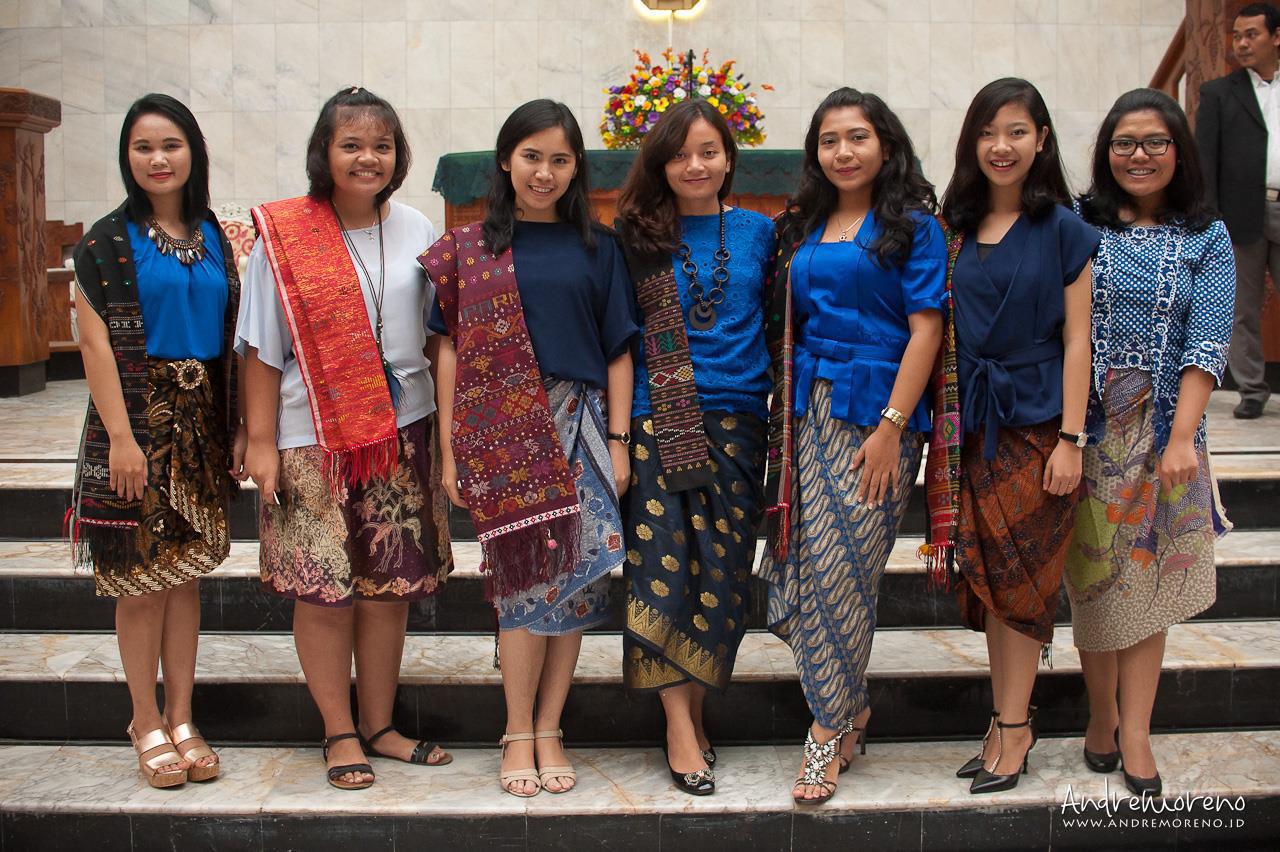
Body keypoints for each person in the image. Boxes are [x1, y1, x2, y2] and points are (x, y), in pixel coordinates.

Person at [237, 87, 454, 791]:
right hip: (313, 441)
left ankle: (380, 726)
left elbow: (439, 335)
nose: (368, 158)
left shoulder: (418, 228)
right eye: (351, 144)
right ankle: (338, 731)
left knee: (388, 589)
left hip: (403, 434)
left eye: (381, 145)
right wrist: (261, 441)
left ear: (399, 155)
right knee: (324, 590)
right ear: (323, 153)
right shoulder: (286, 238)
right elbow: (260, 349)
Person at [421, 99, 638, 798]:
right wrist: (451, 450)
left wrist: (619, 442)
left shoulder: (599, 247)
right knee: (521, 586)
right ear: (506, 161)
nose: (545, 173)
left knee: (574, 584)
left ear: (577, 168)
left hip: (580, 424)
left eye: (560, 160)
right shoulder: (469, 248)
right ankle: (517, 730)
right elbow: (448, 350)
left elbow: (619, 350)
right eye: (532, 157)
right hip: (500, 435)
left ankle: (550, 727)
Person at [759, 88, 946, 805]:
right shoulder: (803, 224)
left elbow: (926, 329)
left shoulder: (914, 227)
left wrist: (892, 427)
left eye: (857, 137)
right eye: (830, 140)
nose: (843, 151)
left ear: (886, 145)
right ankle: (849, 708)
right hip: (808, 412)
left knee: (846, 571)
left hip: (877, 416)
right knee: (808, 569)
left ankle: (825, 729)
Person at [1069, 88, 1235, 798]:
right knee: (1095, 583)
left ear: (1178, 151)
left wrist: (1182, 437)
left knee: (1151, 586)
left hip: (1168, 432)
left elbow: (1208, 340)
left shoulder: (1207, 236)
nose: (1139, 155)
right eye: (1124, 143)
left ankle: (1135, 730)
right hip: (1090, 432)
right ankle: (1100, 714)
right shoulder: (1080, 224)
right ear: (1107, 151)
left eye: (1154, 142)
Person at [71, 93, 240, 788]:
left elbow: (232, 337)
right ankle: (144, 719)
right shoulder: (105, 242)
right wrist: (121, 437)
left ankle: (182, 715)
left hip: (202, 425)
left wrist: (238, 426)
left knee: (185, 576)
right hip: (139, 423)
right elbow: (94, 345)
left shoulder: (215, 234)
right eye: (143, 147)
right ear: (127, 157)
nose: (158, 159)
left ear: (193, 151)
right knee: (140, 582)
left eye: (171, 144)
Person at [939, 77, 1098, 795]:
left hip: (1039, 430)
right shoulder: (956, 226)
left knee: (1024, 587)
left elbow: (1078, 341)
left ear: (1041, 140)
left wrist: (1072, 438)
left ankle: (1014, 725)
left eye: (1016, 132)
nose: (1001, 146)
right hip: (976, 432)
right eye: (987, 133)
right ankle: (1005, 723)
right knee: (993, 588)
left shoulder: (1064, 228)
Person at [614, 99, 774, 796]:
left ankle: (697, 709)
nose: (695, 165)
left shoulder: (761, 232)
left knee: (723, 576)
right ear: (660, 163)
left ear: (729, 158)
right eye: (679, 154)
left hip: (741, 420)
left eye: (708, 151)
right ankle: (679, 726)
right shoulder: (635, 237)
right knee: (664, 570)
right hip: (663, 417)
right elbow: (622, 341)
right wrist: (623, 436)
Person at [1195, 2, 1280, 420]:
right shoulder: (1218, 93)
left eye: (1252, 35)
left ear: (1276, 37)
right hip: (1239, 214)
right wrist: (1211, 218)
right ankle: (1251, 389)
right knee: (1242, 307)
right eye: (1237, 36)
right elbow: (1205, 161)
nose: (1242, 44)